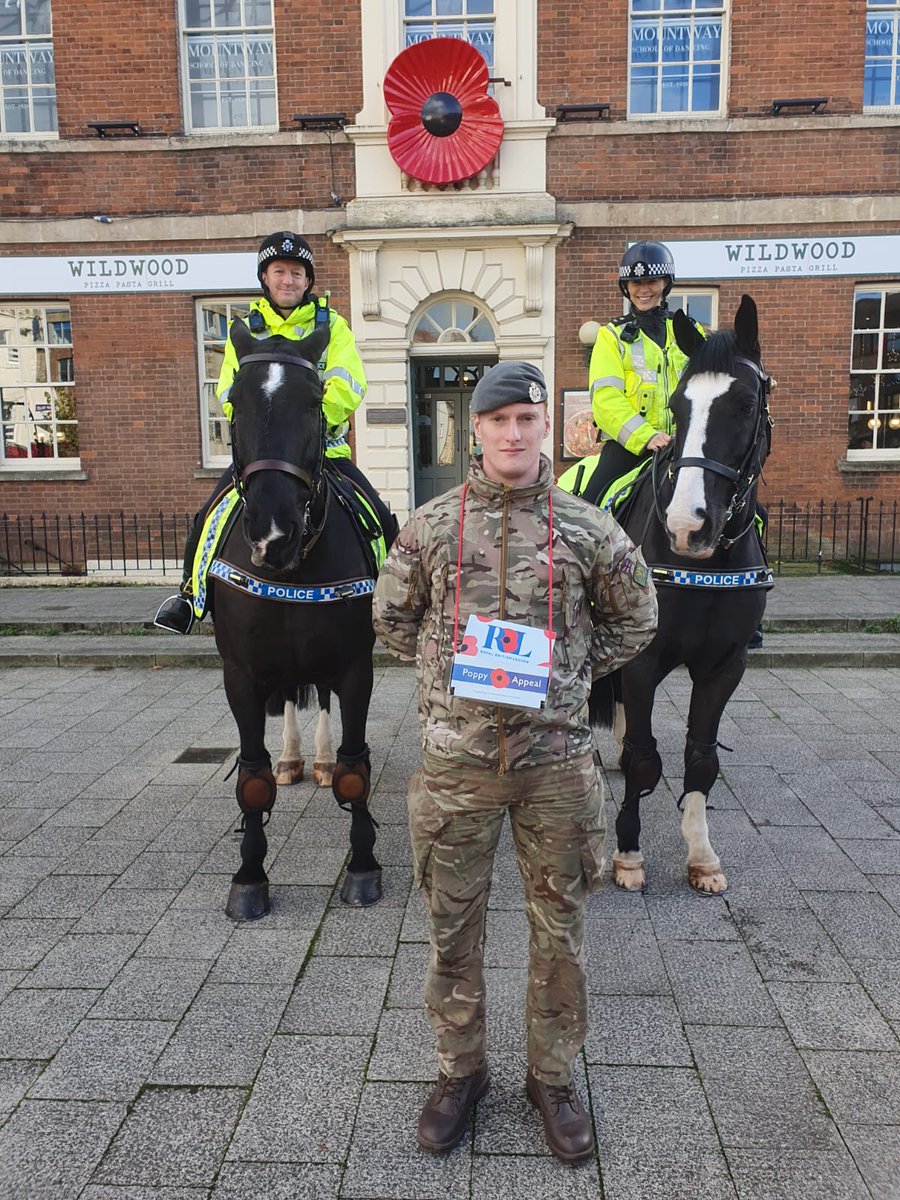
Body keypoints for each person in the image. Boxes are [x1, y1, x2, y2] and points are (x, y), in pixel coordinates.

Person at [372, 362, 658, 1164]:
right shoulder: (430, 527)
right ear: (477, 429)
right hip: (456, 768)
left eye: (528, 419)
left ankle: (552, 1077)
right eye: (498, 420)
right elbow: (391, 619)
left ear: (544, 430)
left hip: (556, 767)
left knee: (558, 934)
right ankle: (459, 1073)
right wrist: (443, 678)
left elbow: (637, 617)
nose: (513, 433)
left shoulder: (588, 527)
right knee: (450, 931)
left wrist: (569, 672)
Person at [155, 231, 392, 633]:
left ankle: (388, 598)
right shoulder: (244, 330)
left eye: (297, 273)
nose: (288, 280)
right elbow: (229, 390)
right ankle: (188, 595)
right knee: (206, 520)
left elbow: (349, 382)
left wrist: (313, 424)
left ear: (308, 280)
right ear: (265, 277)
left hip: (322, 453)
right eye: (279, 271)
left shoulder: (332, 326)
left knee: (380, 517)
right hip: (260, 456)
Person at [578, 239, 699, 509]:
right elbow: (605, 399)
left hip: (685, 444)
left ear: (665, 284)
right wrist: (646, 437)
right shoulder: (611, 336)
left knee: (744, 507)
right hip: (629, 447)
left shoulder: (689, 331)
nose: (644, 290)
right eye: (636, 283)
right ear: (627, 288)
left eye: (652, 281)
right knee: (589, 511)